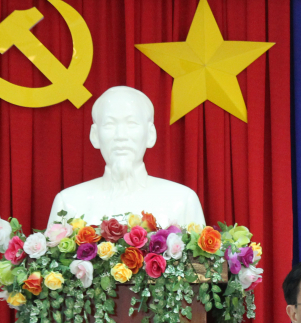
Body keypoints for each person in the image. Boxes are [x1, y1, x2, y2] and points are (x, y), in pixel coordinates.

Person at [48, 86, 206, 229]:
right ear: (95, 135)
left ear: (150, 134)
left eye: (131, 124)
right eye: (110, 124)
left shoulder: (183, 200)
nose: (120, 136)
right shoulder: (68, 203)